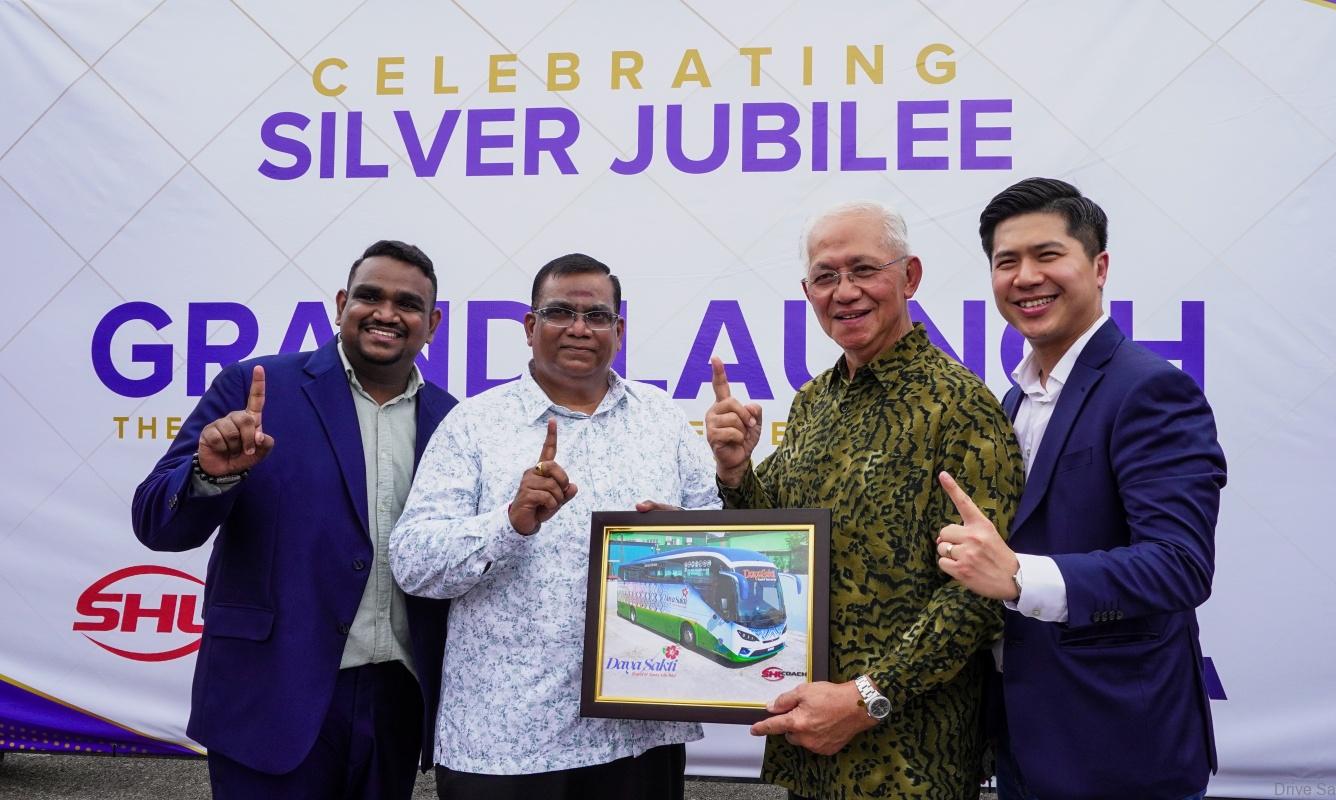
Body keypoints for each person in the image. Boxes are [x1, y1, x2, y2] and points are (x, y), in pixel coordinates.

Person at [705, 202, 1022, 799]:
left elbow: (980, 595)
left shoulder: (959, 408)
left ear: (909, 277)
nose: (845, 291)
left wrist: (865, 698)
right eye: (826, 276)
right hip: (809, 744)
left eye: (864, 270)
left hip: (909, 762)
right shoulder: (814, 401)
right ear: (808, 292)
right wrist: (736, 470)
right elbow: (774, 542)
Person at [131, 240, 458, 799]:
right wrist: (209, 475)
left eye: (407, 304)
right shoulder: (255, 388)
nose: (386, 313)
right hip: (270, 694)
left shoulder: (450, 420)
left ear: (432, 324)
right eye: (370, 296)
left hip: (396, 704)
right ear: (341, 304)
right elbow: (156, 523)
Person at [388, 253, 720, 800]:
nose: (579, 328)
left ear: (619, 330)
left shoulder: (662, 418)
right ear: (529, 326)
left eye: (597, 316)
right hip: (505, 740)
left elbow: (715, 536)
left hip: (637, 736)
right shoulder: (473, 424)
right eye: (560, 312)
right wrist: (508, 523)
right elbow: (413, 563)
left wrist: (686, 536)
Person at [936, 177, 1226, 800]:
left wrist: (1020, 576)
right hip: (1023, 743)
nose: (1025, 277)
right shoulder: (1012, 400)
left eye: (1048, 255)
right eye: (1006, 262)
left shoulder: (1149, 390)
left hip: (1121, 749)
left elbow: (1179, 566)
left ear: (1099, 267)